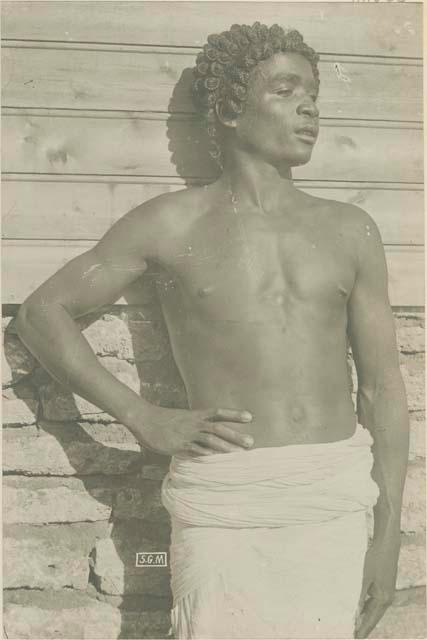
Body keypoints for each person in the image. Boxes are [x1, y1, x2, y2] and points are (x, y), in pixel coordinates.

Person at [16, 22, 409, 640]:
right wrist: (142, 416)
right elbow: (42, 314)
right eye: (285, 90)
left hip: (330, 495)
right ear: (229, 108)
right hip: (226, 500)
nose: (309, 106)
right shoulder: (171, 224)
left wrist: (387, 544)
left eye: (313, 93)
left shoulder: (350, 230)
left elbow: (384, 393)